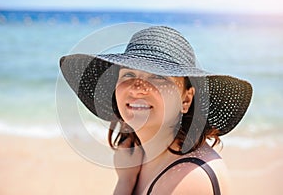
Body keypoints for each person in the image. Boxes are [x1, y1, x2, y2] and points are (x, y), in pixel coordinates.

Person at [59, 26, 252, 194]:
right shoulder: (144, 158)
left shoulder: (188, 179)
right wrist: (125, 180)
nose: (137, 87)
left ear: (186, 99)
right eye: (128, 74)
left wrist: (125, 183)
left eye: (159, 77)